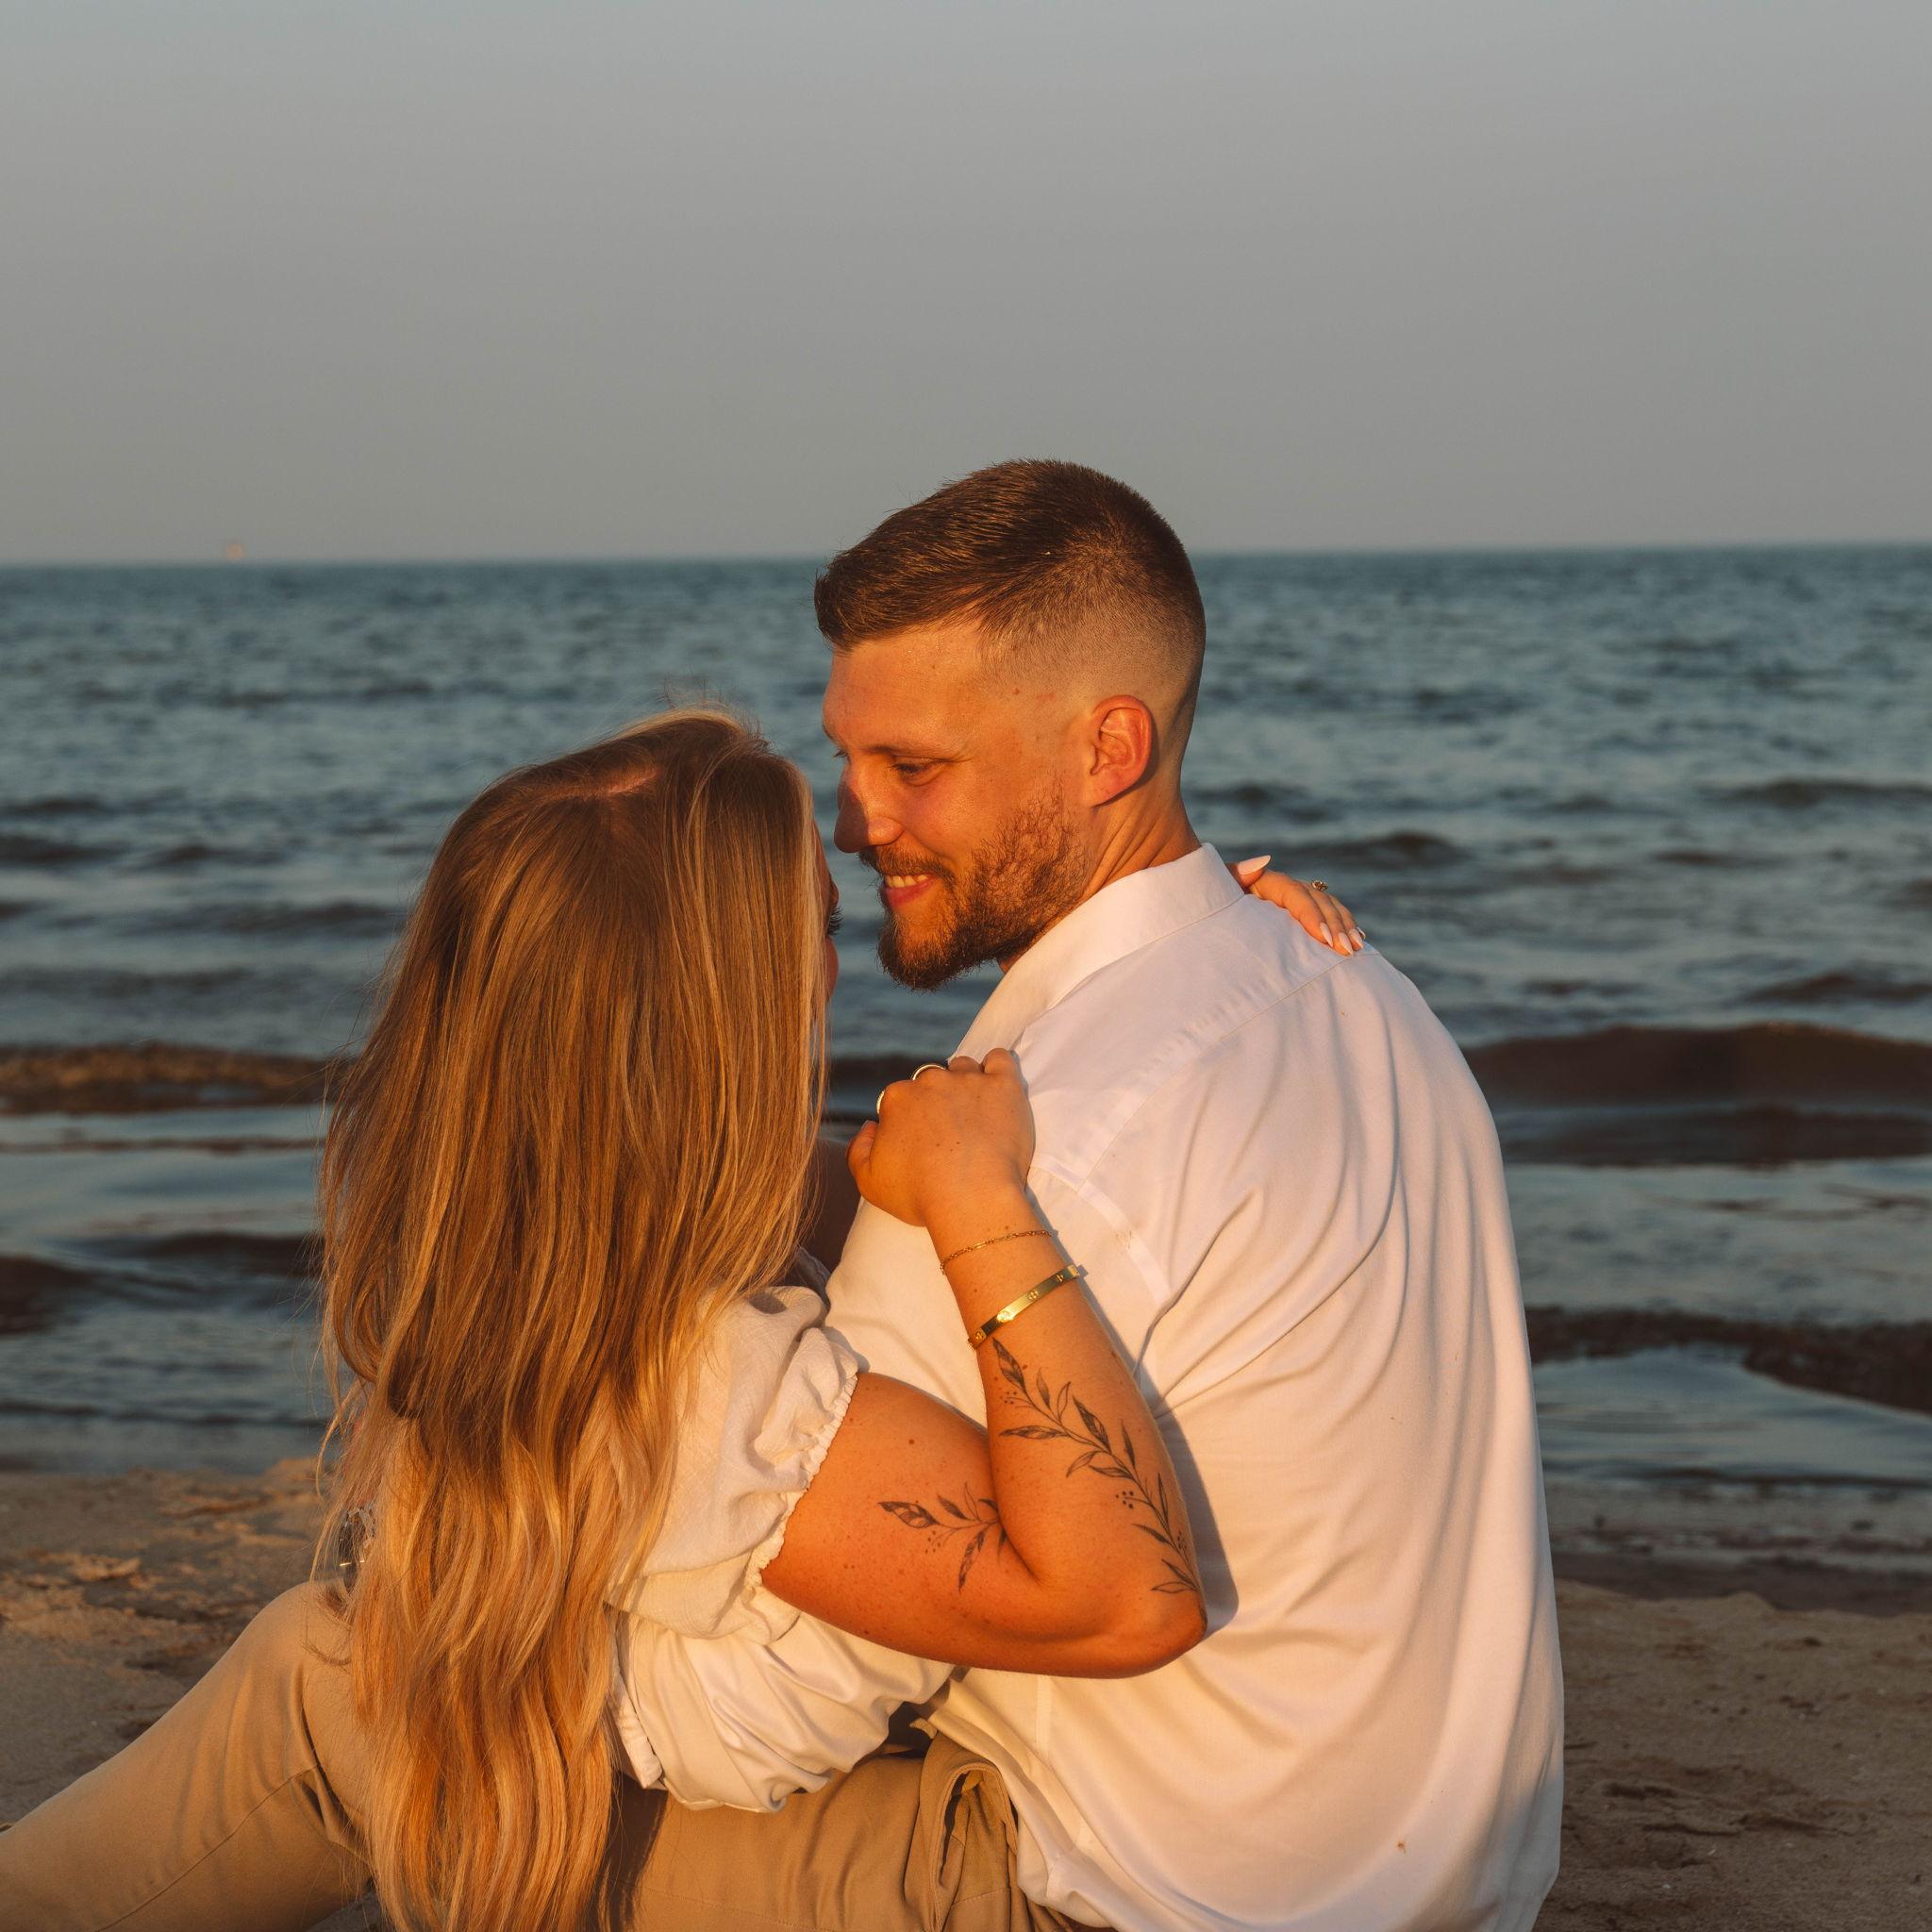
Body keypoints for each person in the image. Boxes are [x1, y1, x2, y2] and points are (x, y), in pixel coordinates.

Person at [0, 706, 1356, 1932]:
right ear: (719, 1004)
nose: (839, 962)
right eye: (816, 932)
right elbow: (1125, 1598)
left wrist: (1170, 944)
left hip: (778, 1746)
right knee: (318, 1689)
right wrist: (987, 1191)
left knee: (315, 1670)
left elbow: (851, 1188)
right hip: (915, 1830)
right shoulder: (715, 1381)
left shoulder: (546, 1231)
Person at [611, 461, 1562, 1932]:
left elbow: (773, 1719)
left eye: (914, 767)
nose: (856, 824)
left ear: (1108, 747)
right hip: (1446, 1881)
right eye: (849, 760)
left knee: (357, 1729)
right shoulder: (1358, 990)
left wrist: (522, 1630)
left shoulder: (1021, 1154)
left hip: (1136, 1897)